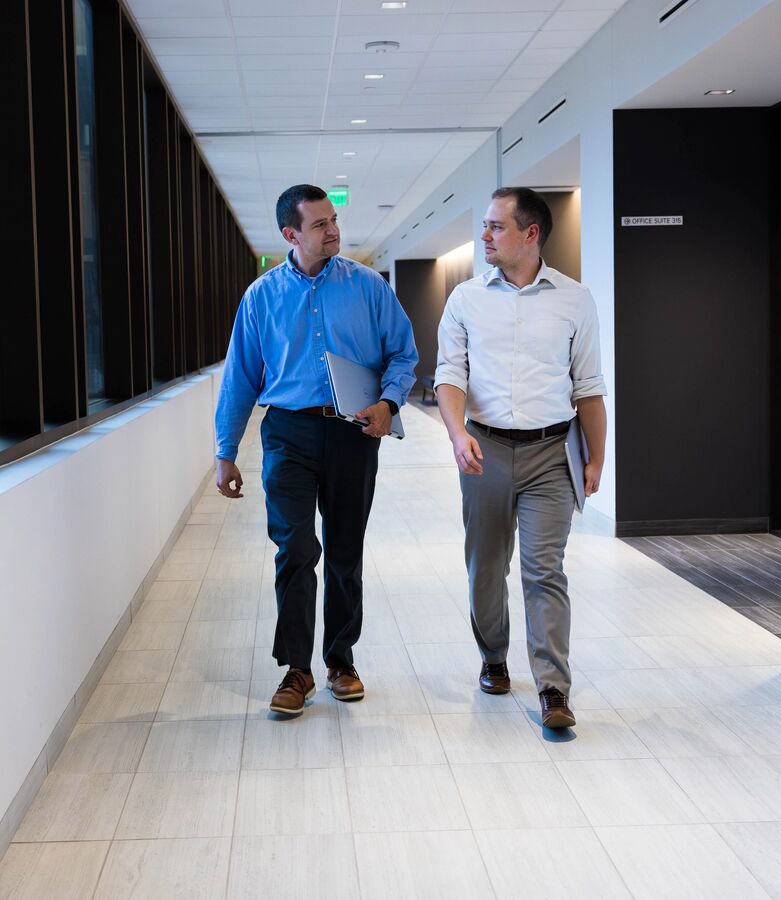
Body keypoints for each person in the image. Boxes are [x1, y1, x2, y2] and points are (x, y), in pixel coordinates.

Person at [214, 184, 418, 717]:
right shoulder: (261, 297)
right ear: (290, 234)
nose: (334, 231)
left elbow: (404, 354)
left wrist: (390, 404)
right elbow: (240, 378)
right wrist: (225, 450)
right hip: (287, 434)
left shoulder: (369, 287)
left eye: (334, 220)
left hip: (353, 433)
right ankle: (296, 669)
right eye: (320, 224)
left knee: (346, 551)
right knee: (296, 550)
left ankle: (340, 660)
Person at [434, 187, 607, 729]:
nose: (484, 236)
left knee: (544, 570)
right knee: (486, 566)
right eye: (484, 226)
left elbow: (589, 388)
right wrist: (458, 435)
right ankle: (493, 658)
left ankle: (554, 688)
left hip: (551, 455)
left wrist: (597, 459)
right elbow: (449, 376)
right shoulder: (465, 299)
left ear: (530, 234)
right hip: (484, 450)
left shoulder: (575, 300)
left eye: (494, 227)